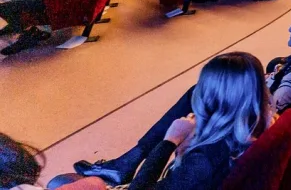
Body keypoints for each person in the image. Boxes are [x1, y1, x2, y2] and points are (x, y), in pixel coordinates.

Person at [74, 52, 273, 187]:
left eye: (201, 87)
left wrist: (169, 142)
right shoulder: (260, 126)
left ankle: (126, 164)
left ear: (210, 98)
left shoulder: (204, 160)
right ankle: (126, 163)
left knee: (60, 181)